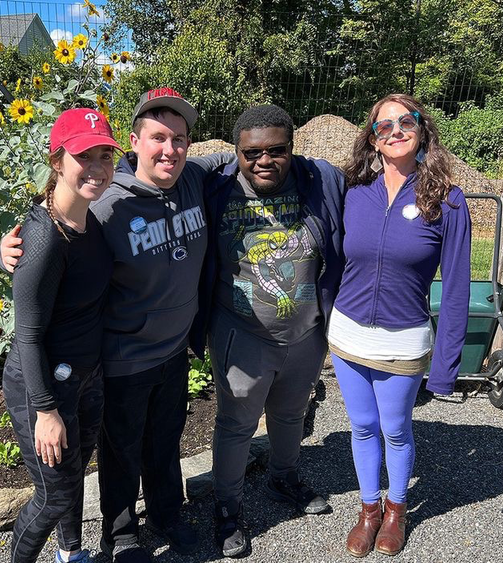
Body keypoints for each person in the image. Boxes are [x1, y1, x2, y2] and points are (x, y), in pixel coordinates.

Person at [0, 88, 232, 563]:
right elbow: (44, 245)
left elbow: (247, 153)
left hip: (171, 352)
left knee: (166, 443)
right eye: (158, 138)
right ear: (135, 142)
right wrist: (3, 254)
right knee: (121, 452)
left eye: (181, 139)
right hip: (123, 355)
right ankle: (121, 535)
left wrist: (310, 166)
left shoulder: (192, 177)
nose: (170, 149)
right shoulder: (106, 203)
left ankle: (168, 513)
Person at [190, 104, 346, 557]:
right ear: (236, 151)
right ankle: (226, 507)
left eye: (276, 150)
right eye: (251, 152)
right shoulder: (215, 186)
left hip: (305, 334)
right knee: (236, 423)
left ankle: (284, 477)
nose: (264, 161)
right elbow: (151, 173)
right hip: (242, 334)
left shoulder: (321, 180)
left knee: (291, 415)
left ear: (292, 148)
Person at [327, 93, 471, 557]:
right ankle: (368, 510)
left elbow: (456, 289)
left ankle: (396, 509)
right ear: (372, 139)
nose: (394, 132)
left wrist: (446, 366)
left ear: (421, 127)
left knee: (395, 428)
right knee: (362, 426)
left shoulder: (447, 201)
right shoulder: (354, 191)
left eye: (404, 122)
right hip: (347, 333)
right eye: (382, 127)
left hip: (404, 340)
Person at [2, 107, 120, 563]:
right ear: (57, 161)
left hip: (87, 377)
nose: (97, 167)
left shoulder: (89, 220)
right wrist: (46, 412)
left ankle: (71, 554)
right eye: (83, 156)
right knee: (52, 496)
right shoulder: (44, 237)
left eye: (105, 156)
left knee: (73, 479)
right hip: (46, 388)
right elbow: (27, 334)